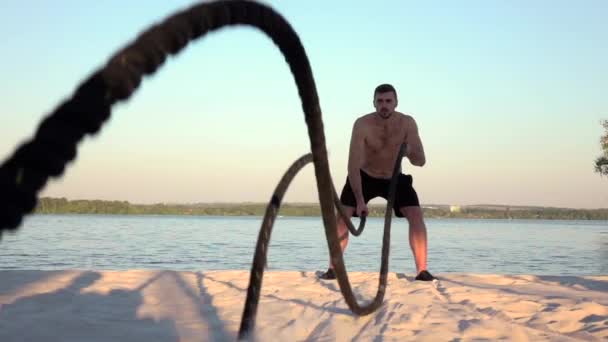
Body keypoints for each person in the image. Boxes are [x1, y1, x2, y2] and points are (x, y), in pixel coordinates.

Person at [320, 84, 434, 281]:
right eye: (380, 101)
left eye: (388, 101)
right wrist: (360, 200)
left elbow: (421, 161)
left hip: (394, 177)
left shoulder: (407, 123)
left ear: (396, 103)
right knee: (343, 216)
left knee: (415, 215)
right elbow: (352, 165)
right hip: (364, 176)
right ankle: (333, 268)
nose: (384, 105)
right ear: (373, 103)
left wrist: (408, 152)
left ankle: (422, 270)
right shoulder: (362, 124)